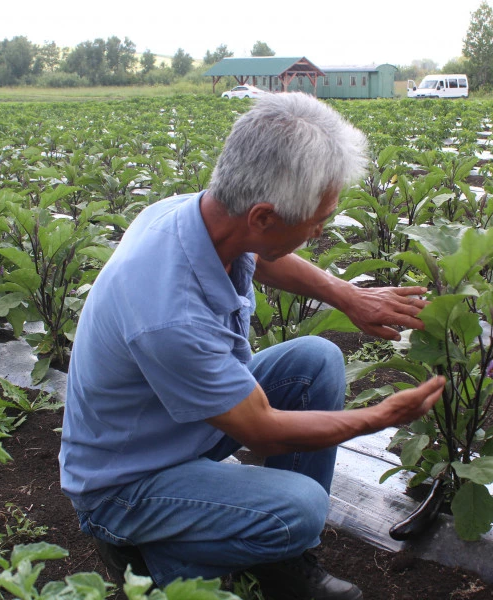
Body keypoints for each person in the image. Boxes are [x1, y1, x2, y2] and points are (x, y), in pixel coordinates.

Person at [59, 92, 446, 600]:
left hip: (175, 426)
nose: (322, 227)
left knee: (315, 363)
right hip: (127, 484)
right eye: (318, 217)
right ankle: (156, 554)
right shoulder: (166, 312)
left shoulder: (198, 216)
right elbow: (263, 432)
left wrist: (348, 296)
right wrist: (380, 417)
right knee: (302, 509)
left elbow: (259, 257)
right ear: (264, 216)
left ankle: (280, 561)